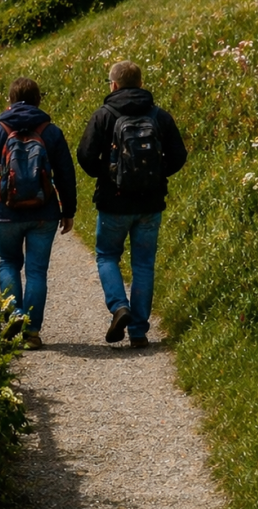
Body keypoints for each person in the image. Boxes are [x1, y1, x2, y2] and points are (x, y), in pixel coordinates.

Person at [76, 60, 187, 349]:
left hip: (114, 203)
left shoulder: (104, 115)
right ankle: (138, 331)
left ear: (113, 84)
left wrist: (109, 175)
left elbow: (85, 156)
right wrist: (157, 175)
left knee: (106, 256)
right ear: (140, 83)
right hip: (150, 204)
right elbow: (179, 155)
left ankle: (118, 307)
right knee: (143, 265)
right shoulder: (159, 115)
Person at [0, 76, 77, 349]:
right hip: (44, 212)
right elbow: (66, 174)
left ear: (9, 100)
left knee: (8, 263)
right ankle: (32, 331)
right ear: (38, 99)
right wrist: (68, 210)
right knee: (36, 271)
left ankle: (14, 313)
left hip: (5, 211)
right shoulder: (50, 131)